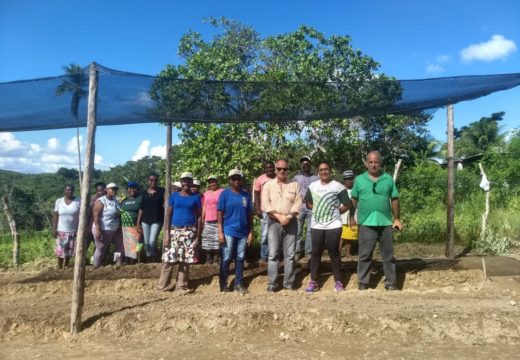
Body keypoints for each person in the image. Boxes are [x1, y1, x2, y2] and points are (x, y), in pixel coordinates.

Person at [350, 151, 403, 291]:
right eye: (371, 162)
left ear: (380, 163)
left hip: (385, 222)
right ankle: (363, 282)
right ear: (367, 163)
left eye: (376, 162)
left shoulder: (387, 179)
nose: (373, 165)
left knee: (388, 255)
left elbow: (395, 199)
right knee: (365, 255)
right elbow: (353, 200)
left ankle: (391, 283)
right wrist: (351, 217)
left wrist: (397, 218)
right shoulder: (359, 180)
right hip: (366, 223)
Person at [304, 161, 352, 293]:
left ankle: (338, 282)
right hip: (317, 225)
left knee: (334, 253)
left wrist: (337, 212)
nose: (324, 172)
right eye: (321, 170)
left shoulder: (337, 186)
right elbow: (308, 202)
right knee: (315, 253)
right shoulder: (313, 186)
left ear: (330, 171)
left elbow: (347, 204)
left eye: (326, 169)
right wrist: (318, 209)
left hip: (334, 225)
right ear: (318, 172)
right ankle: (313, 281)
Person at [261, 159, 302, 292]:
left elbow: (298, 202)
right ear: (275, 169)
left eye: (284, 169)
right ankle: (272, 283)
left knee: (290, 255)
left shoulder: (294, 185)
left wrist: (288, 217)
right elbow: (265, 204)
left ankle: (289, 283)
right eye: (279, 169)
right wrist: (279, 217)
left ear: (287, 170)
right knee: (273, 254)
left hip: (291, 222)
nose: (282, 171)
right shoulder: (268, 185)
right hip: (274, 222)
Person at [157, 172, 202, 292]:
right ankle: (163, 286)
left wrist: (198, 236)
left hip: (189, 231)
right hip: (174, 230)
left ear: (192, 182)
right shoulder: (174, 196)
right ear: (181, 182)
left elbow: (199, 217)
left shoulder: (196, 197)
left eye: (188, 180)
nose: (186, 183)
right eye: (183, 180)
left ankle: (181, 286)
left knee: (185, 259)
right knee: (169, 258)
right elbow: (168, 215)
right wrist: (166, 233)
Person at [217, 169, 254, 294]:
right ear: (229, 181)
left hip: (243, 232)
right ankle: (223, 284)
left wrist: (251, 232)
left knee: (240, 258)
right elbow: (220, 213)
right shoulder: (224, 194)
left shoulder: (246, 195)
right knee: (226, 258)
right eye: (234, 179)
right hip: (228, 231)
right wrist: (220, 232)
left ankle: (239, 283)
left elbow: (250, 215)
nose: (236, 181)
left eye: (238, 178)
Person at [292, 155, 319, 260]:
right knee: (297, 230)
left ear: (310, 165)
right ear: (301, 166)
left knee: (310, 231)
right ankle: (297, 252)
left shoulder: (316, 178)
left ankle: (309, 251)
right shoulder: (296, 178)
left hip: (311, 207)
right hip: (299, 208)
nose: (305, 165)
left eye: (307, 163)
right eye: (303, 164)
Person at [92, 183, 124, 268]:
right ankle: (96, 266)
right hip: (103, 229)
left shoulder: (115, 201)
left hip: (114, 230)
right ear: (106, 190)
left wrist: (119, 228)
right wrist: (98, 230)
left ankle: (118, 264)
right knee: (101, 248)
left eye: (115, 189)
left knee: (120, 247)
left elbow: (119, 214)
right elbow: (96, 216)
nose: (114, 191)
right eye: (112, 189)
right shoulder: (101, 201)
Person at [52, 184, 80, 269]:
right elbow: (55, 215)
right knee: (61, 250)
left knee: (70, 250)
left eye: (71, 190)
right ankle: (60, 266)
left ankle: (66, 265)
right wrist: (54, 229)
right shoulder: (59, 201)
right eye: (68, 190)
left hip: (73, 230)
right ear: (64, 191)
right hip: (62, 231)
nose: (70, 192)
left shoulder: (78, 201)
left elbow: (81, 214)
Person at [253, 161, 276, 261]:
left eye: (271, 168)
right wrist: (258, 208)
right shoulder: (260, 179)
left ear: (274, 168)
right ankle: (264, 255)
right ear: (264, 169)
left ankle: (275, 254)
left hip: (276, 209)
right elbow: (256, 193)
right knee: (265, 234)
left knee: (276, 233)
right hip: (264, 210)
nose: (269, 169)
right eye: (267, 168)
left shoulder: (277, 177)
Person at [140, 173, 165, 262]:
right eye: (151, 180)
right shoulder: (143, 193)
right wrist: (138, 222)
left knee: (152, 241)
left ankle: (154, 257)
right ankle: (149, 259)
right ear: (148, 181)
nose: (153, 182)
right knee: (146, 242)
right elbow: (141, 208)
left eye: (155, 180)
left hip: (157, 220)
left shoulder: (162, 191)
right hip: (145, 220)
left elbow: (165, 204)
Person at [201, 175, 224, 264]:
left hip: (218, 219)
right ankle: (208, 258)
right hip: (207, 219)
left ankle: (216, 259)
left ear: (217, 182)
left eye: (214, 181)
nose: (212, 183)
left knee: (217, 239)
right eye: (210, 182)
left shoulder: (222, 192)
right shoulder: (205, 193)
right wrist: (203, 219)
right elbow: (204, 206)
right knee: (207, 239)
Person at [120, 181, 143, 264]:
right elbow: (120, 212)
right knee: (127, 244)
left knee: (137, 244)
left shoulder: (140, 198)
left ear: (137, 189)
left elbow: (142, 211)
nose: (132, 190)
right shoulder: (124, 201)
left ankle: (136, 260)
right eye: (130, 188)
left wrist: (138, 224)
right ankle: (127, 260)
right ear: (128, 190)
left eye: (134, 188)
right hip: (125, 226)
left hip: (135, 226)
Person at [339, 170, 357, 258]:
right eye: (346, 179)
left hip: (353, 216)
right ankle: (337, 252)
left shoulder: (356, 189)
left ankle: (347, 253)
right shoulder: (340, 189)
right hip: (341, 216)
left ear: (353, 179)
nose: (348, 180)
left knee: (350, 235)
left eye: (350, 178)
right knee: (341, 236)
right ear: (344, 180)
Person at [86, 182, 106, 262]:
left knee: (98, 246)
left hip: (100, 227)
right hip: (89, 227)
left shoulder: (107, 199)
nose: (101, 192)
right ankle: (82, 262)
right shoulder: (91, 199)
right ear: (96, 191)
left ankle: (93, 262)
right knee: (85, 245)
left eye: (103, 191)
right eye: (99, 191)